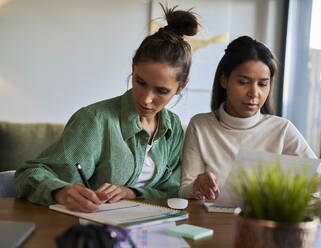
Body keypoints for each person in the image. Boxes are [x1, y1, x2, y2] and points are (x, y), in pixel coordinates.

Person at [15, 4, 199, 212]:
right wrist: (61, 192)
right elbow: (28, 174)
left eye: (162, 91)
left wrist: (132, 193)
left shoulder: (172, 127)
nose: (147, 99)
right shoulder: (94, 120)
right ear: (133, 67)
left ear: (181, 86)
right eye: (140, 82)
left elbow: (172, 188)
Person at [179, 36, 321, 200]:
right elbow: (184, 190)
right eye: (243, 82)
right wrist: (197, 187)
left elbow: (319, 181)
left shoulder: (282, 129)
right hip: (215, 221)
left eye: (262, 84)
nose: (254, 93)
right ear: (224, 80)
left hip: (264, 221)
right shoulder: (201, 125)